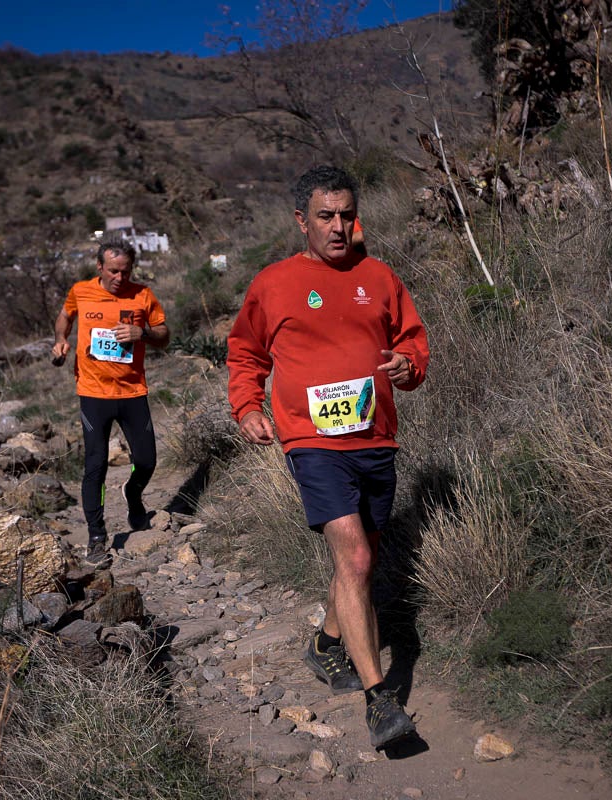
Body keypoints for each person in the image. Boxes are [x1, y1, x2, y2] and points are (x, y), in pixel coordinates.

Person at [227, 165, 430, 750]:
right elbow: (244, 353)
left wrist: (407, 366)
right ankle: (379, 702)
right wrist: (247, 408)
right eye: (325, 216)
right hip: (311, 441)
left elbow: (413, 341)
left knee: (362, 558)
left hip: (375, 437)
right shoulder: (275, 283)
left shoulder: (380, 277)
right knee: (357, 557)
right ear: (302, 221)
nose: (338, 226)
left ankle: (324, 642)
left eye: (346, 215)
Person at [52, 239, 170, 567]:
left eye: (126, 271)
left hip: (133, 391)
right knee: (95, 465)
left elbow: (164, 335)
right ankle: (96, 536)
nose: (120, 277)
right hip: (93, 392)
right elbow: (64, 318)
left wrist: (142, 333)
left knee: (146, 461)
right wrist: (61, 341)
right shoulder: (80, 291)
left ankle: (133, 495)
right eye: (114, 271)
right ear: (100, 267)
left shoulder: (142, 295)